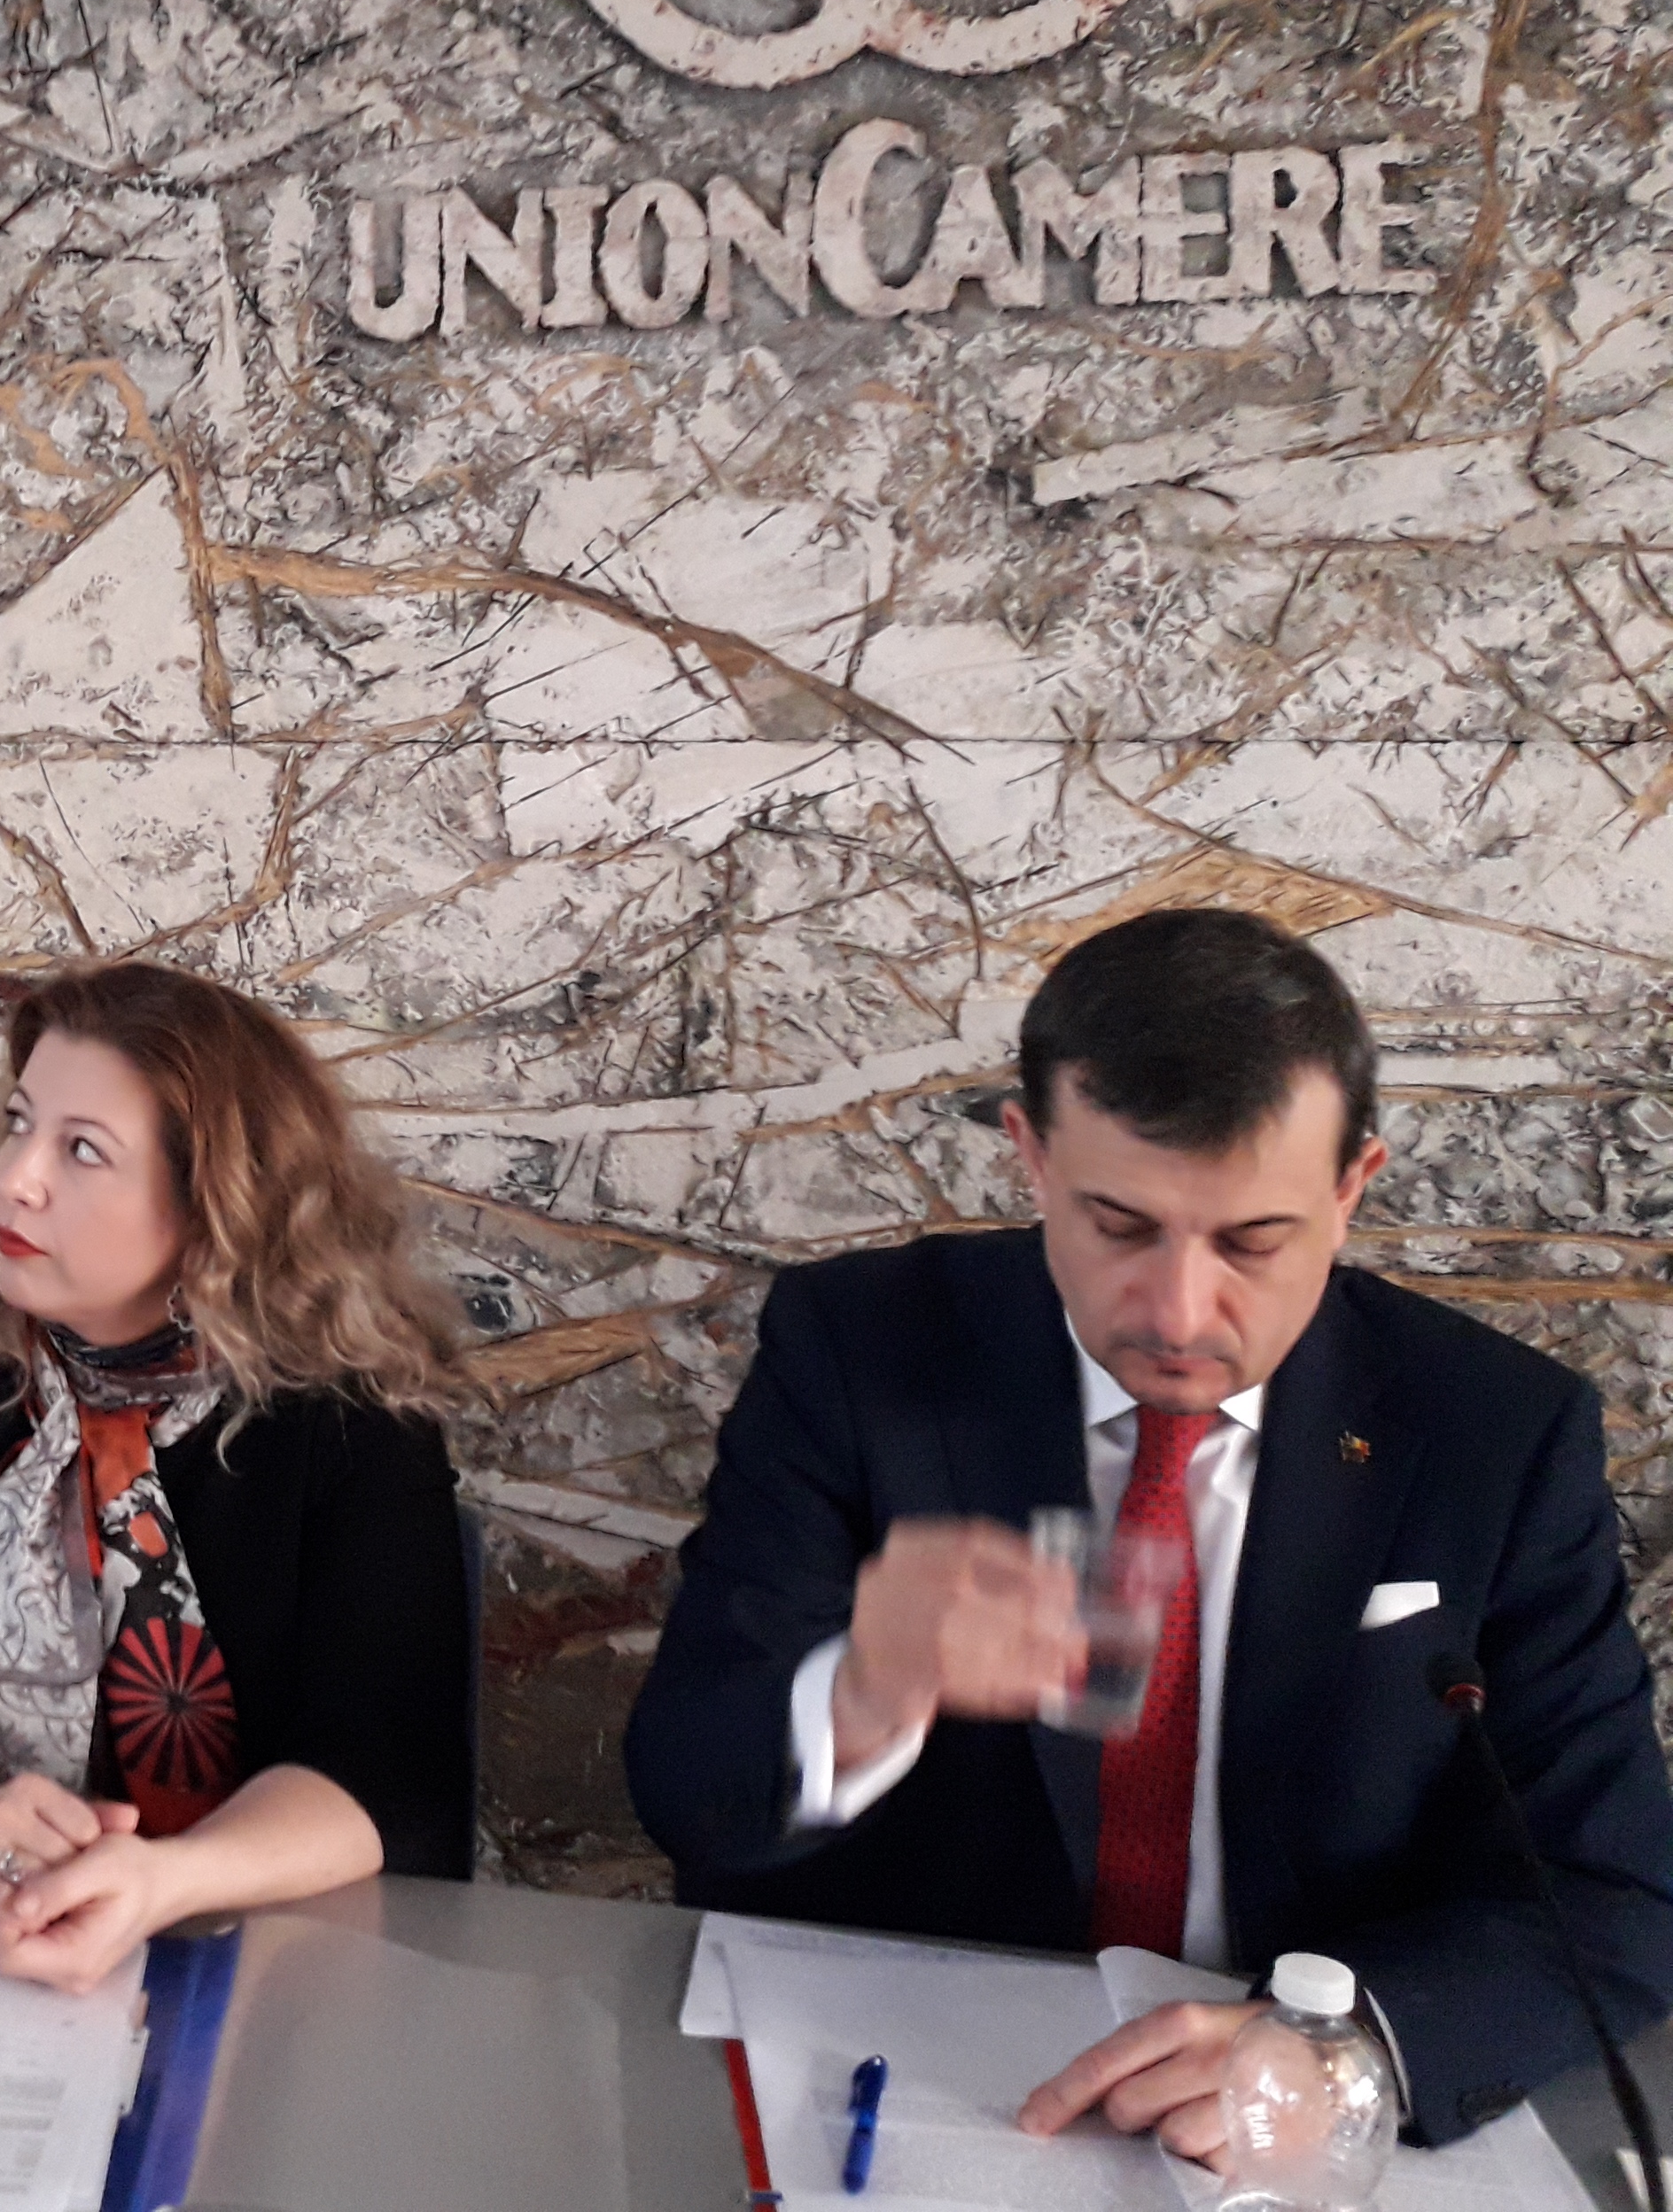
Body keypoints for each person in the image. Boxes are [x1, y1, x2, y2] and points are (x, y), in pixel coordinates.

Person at [627, 907, 1673, 2157]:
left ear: (1352, 1188)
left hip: (1290, 2125)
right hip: (924, 2092)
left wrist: (1348, 2052)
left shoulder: (1494, 1432)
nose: (1180, 1311)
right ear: (1030, 1157)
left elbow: (1613, 1892)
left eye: (1252, 1242)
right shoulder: (859, 1353)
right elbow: (690, 1791)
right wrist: (857, 1694)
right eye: (1119, 1227)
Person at [0, 961, 480, 1991]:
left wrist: (167, 1881)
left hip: (269, 1973)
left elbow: (385, 1766)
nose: (18, 1179)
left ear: (215, 1204)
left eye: (82, 1149)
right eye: (21, 1124)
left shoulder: (354, 1425)